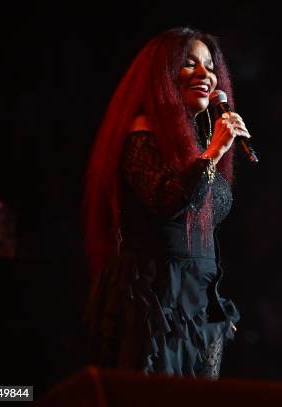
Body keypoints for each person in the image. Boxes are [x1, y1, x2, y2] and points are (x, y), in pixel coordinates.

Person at [82, 27, 248, 379]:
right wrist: (214, 151)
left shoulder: (196, 141)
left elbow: (209, 209)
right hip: (158, 296)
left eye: (209, 65)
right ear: (163, 75)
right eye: (189, 65)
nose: (205, 75)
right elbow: (167, 201)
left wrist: (211, 153)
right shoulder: (142, 129)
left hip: (199, 298)